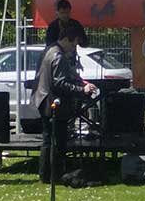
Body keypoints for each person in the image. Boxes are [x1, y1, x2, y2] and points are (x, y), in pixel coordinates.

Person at [31, 24, 97, 184]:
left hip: (42, 99)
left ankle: (45, 175)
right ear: (67, 39)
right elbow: (60, 84)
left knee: (47, 141)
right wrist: (83, 90)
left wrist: (79, 81)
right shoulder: (58, 56)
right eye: (74, 44)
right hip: (53, 103)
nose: (74, 48)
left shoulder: (49, 50)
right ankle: (56, 175)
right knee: (58, 141)